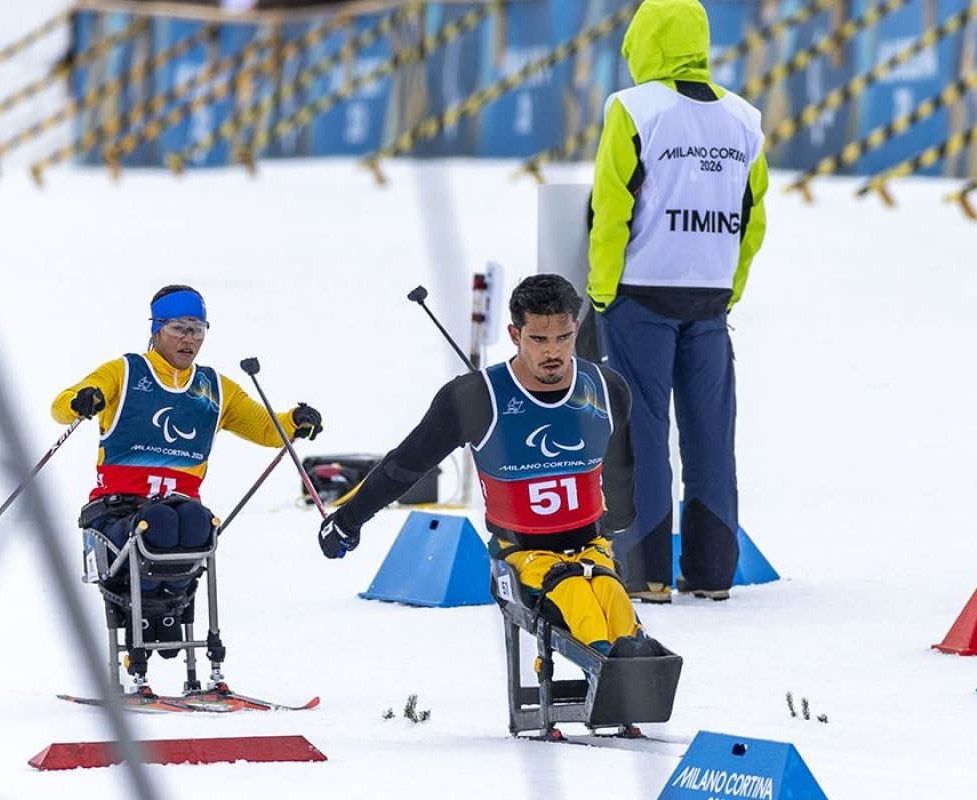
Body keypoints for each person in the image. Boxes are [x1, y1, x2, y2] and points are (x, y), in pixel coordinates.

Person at [317, 274, 659, 657]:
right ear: (515, 335)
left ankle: (636, 670)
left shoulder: (606, 389)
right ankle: (618, 673)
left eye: (563, 338)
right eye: (538, 339)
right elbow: (405, 466)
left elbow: (621, 470)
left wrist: (617, 523)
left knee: (614, 603)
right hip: (522, 556)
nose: (553, 353)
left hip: (591, 547)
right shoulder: (477, 397)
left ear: (576, 329)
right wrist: (348, 520)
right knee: (579, 600)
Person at [587, 0, 769, 604]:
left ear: (643, 40)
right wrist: (730, 289)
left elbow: (612, 207)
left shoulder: (632, 108)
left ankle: (647, 575)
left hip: (640, 295)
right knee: (712, 437)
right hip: (711, 301)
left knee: (640, 433)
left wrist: (601, 290)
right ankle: (713, 573)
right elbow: (753, 217)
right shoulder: (744, 117)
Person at [52, 284, 323, 683]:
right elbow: (61, 405)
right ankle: (143, 623)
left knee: (198, 524)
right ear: (157, 329)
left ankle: (167, 616)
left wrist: (294, 420)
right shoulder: (125, 373)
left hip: (180, 507)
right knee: (159, 524)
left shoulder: (214, 388)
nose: (189, 339)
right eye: (179, 327)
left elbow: (267, 429)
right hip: (118, 509)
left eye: (197, 329)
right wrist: (82, 399)